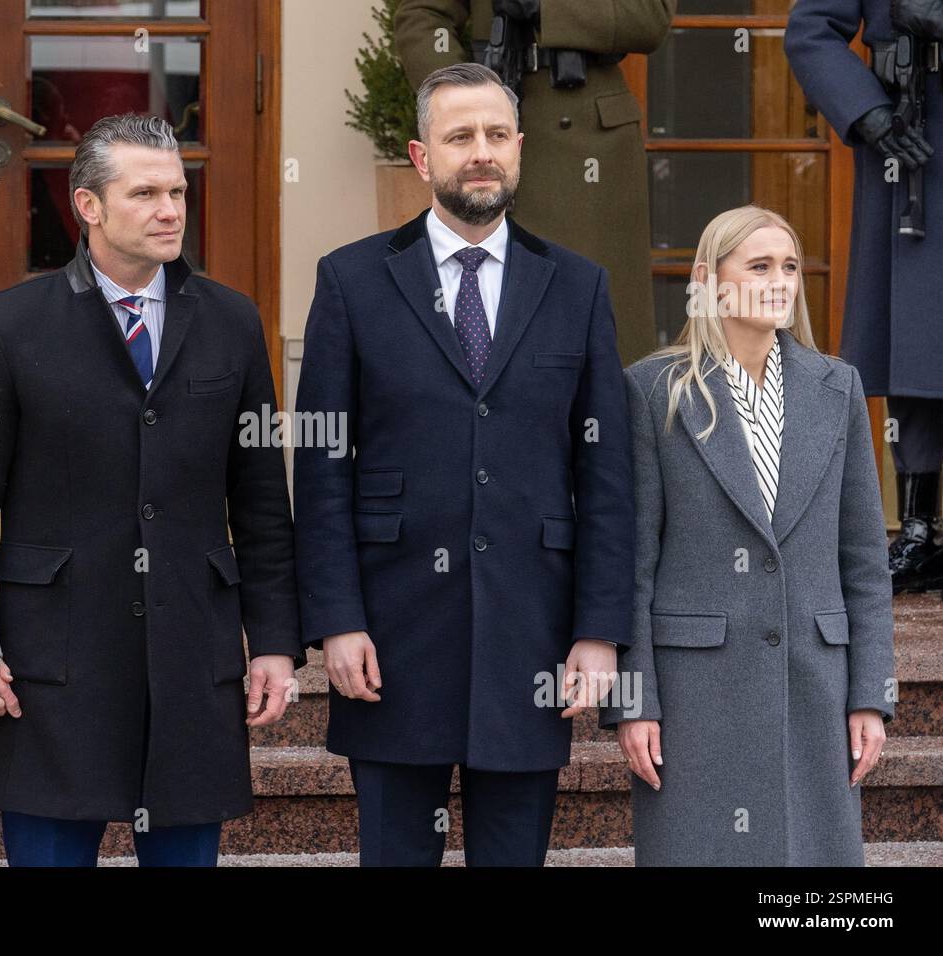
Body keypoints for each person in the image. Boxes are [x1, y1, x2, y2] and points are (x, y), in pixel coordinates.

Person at [0, 113, 302, 868]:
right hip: (55, 667)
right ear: (88, 207)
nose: (171, 210)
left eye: (177, 191)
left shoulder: (231, 321)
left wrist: (277, 644)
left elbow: (261, 502)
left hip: (193, 659)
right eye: (146, 194)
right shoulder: (10, 324)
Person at [294, 63, 634, 866]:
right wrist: (336, 618)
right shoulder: (350, 279)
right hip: (390, 632)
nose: (479, 153)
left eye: (494, 136)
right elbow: (320, 465)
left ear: (519, 149)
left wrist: (599, 630)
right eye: (459, 137)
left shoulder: (579, 287)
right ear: (421, 157)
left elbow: (609, 477)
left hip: (533, 635)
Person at [600, 205, 896, 866]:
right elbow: (633, 563)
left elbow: (865, 561)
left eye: (789, 266)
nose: (780, 281)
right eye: (759, 265)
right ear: (708, 278)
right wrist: (633, 700)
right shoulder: (654, 390)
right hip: (694, 691)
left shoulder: (836, 387)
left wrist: (872, 694)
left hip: (816, 683)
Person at [394, 0, 676, 367]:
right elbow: (422, 16)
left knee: (601, 340)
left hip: (591, 141)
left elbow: (649, 16)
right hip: (489, 123)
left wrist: (545, 7)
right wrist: (463, 98)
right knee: (487, 318)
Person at [786, 0, 943, 592]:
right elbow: (811, 31)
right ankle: (920, 528)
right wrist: (867, 111)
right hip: (906, 126)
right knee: (914, 336)